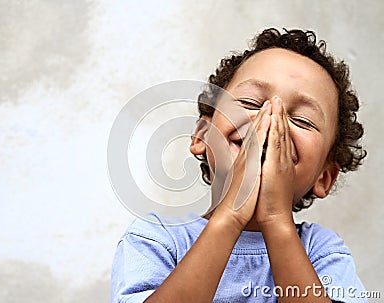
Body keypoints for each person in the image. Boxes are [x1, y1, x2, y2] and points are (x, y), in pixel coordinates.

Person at [111, 28, 367, 303]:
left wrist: (276, 221)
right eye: (249, 102)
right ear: (201, 135)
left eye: (303, 120)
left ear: (324, 178)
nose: (271, 119)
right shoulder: (156, 238)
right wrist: (230, 217)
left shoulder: (323, 253)